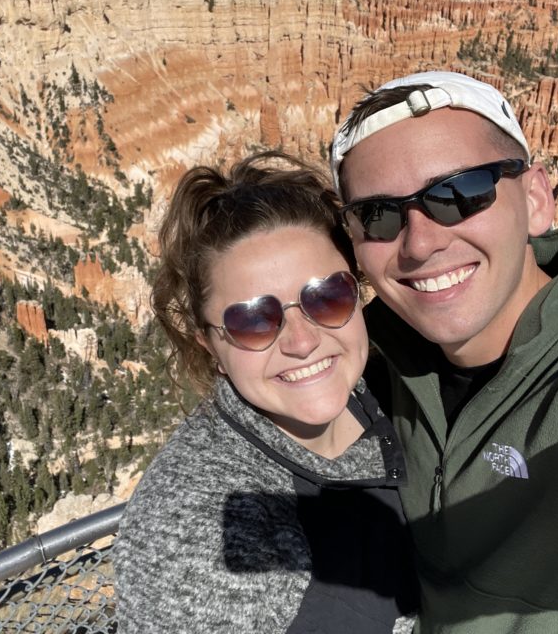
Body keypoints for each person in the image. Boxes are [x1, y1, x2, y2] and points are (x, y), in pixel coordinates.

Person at [329, 70, 558, 632]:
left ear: (535, 199)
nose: (422, 241)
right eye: (379, 215)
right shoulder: (388, 365)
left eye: (458, 193)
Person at [113, 152, 418, 633]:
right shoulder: (198, 530)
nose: (302, 341)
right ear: (210, 344)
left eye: (328, 295)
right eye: (253, 319)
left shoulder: (401, 382)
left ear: (358, 293)